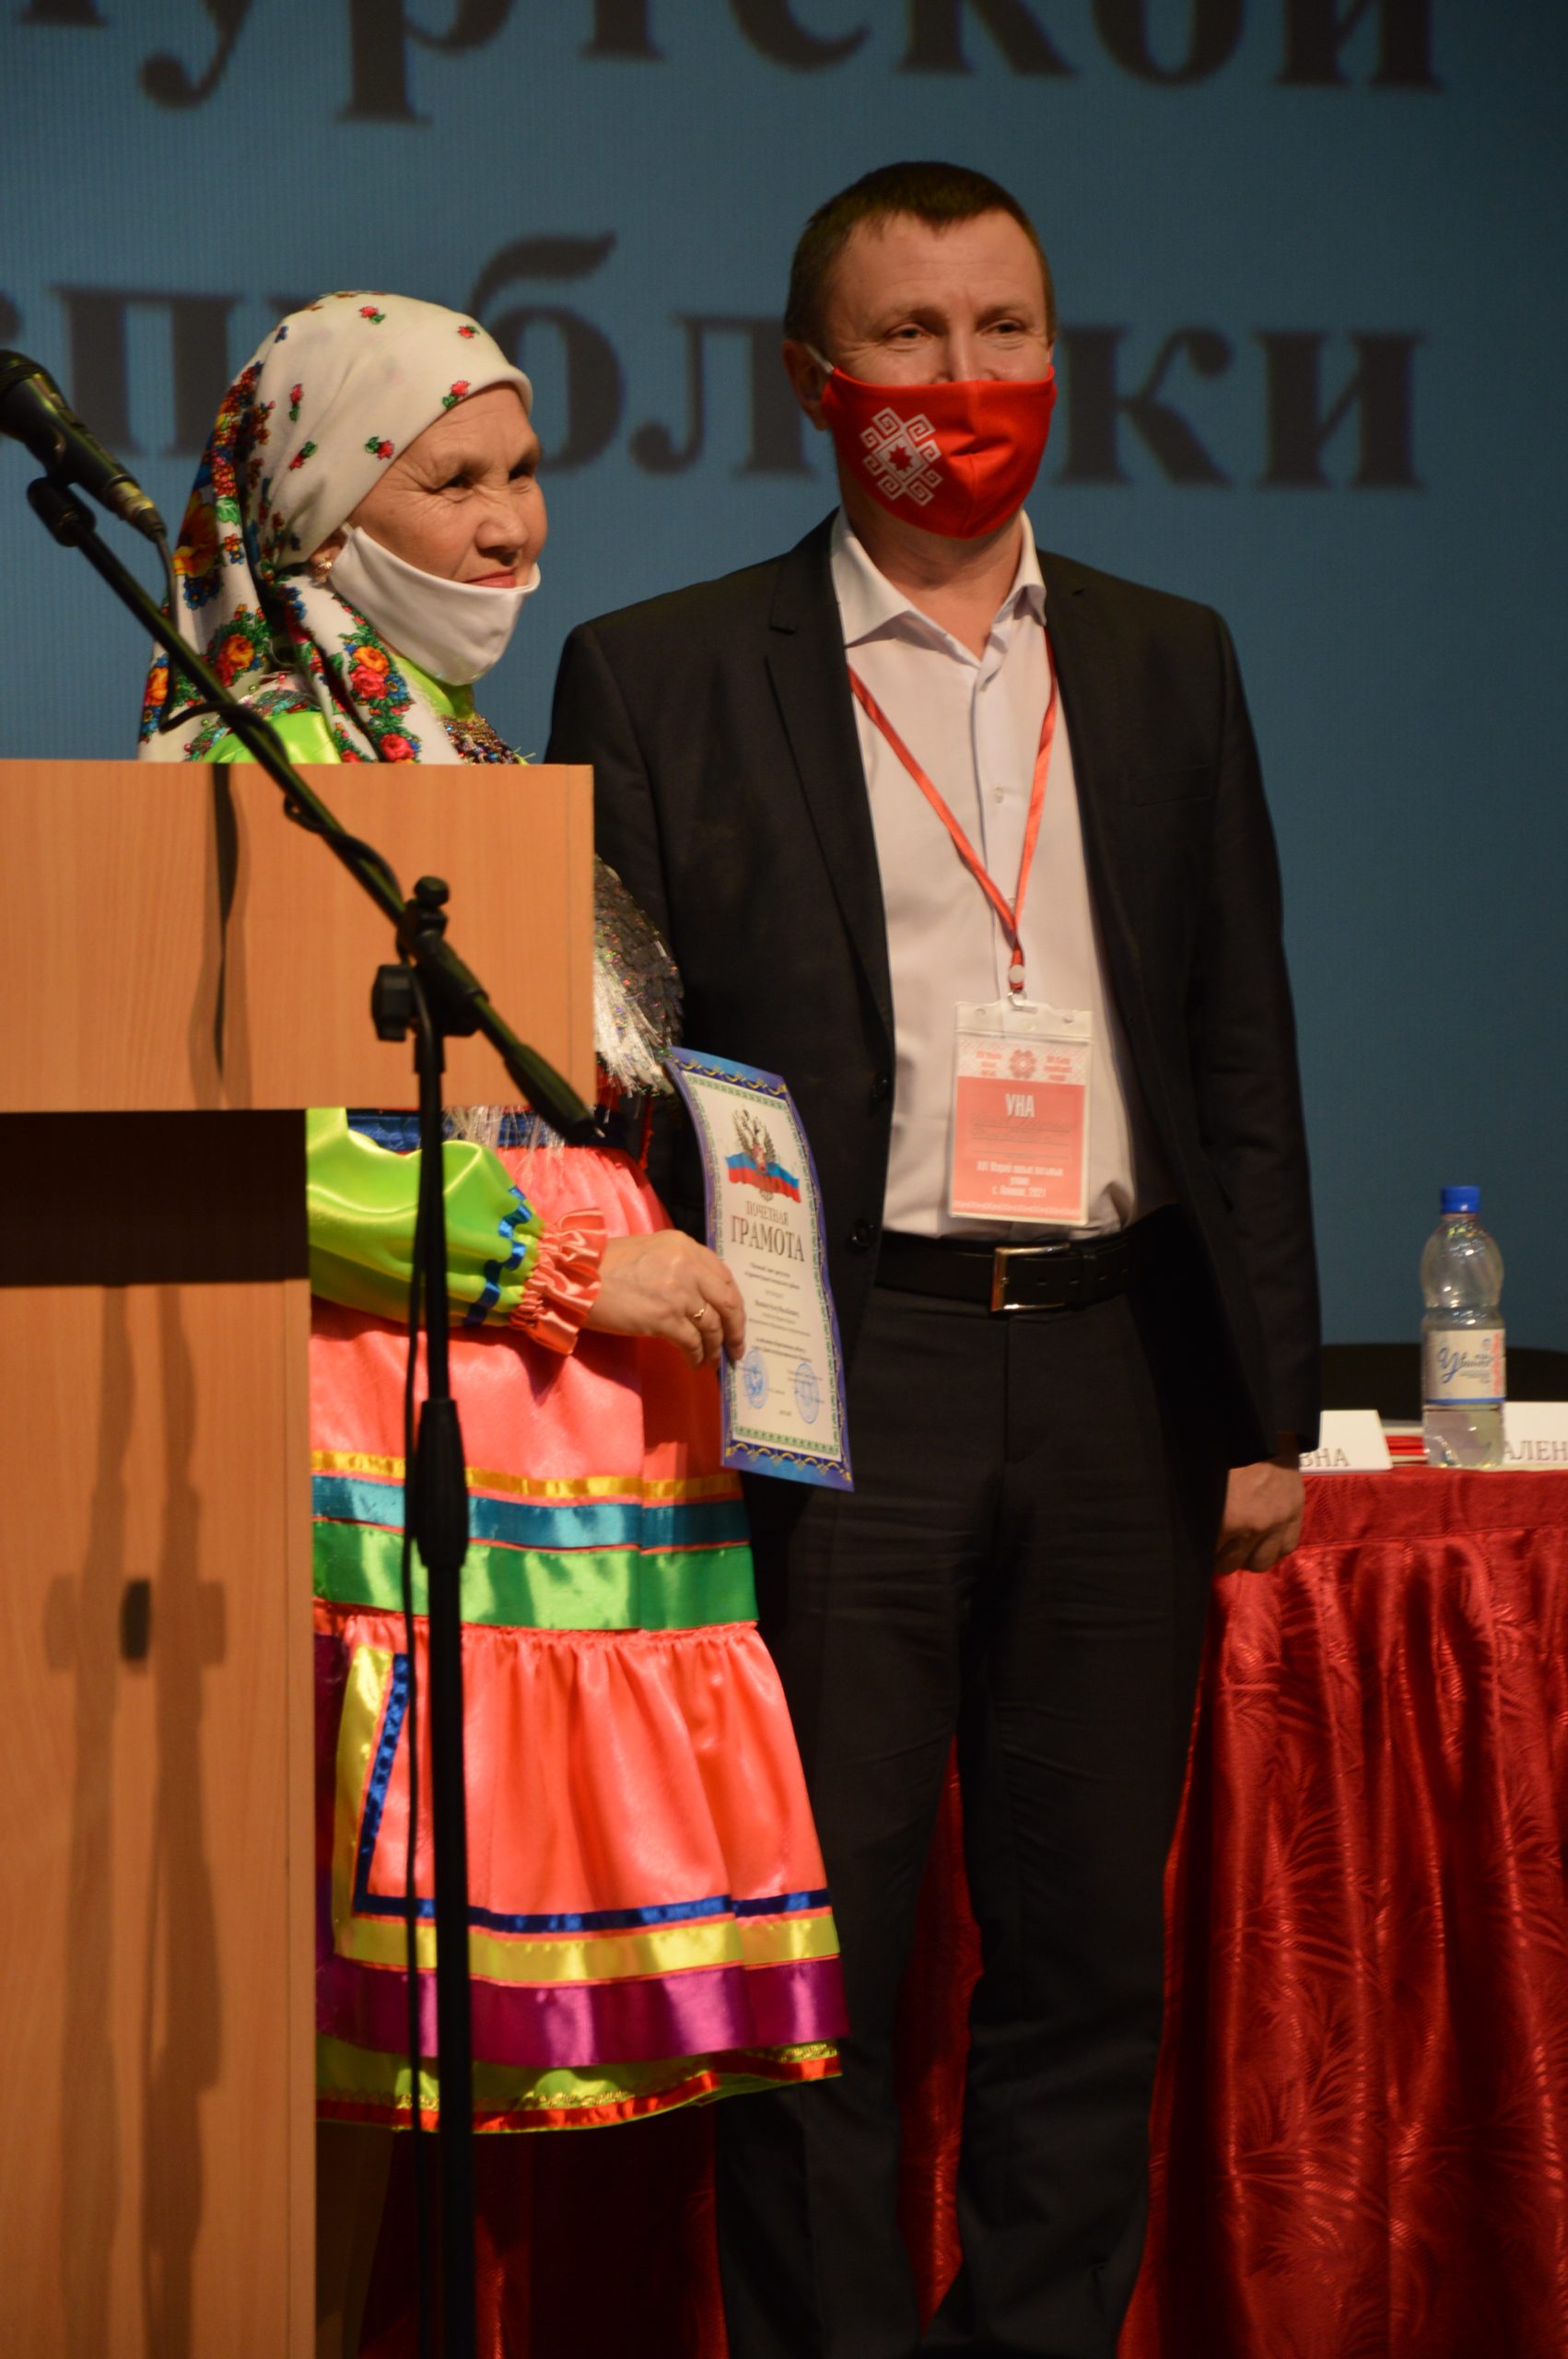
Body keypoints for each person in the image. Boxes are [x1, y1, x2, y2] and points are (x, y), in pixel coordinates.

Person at [547, 164, 1320, 2359]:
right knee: (823, 1952)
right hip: (834, 1371)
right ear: (814, 379)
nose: (961, 380)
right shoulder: (659, 672)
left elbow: (1235, 1042)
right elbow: (606, 1091)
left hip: (1111, 1365)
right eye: (908, 336)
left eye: (1002, 332)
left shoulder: (1164, 658)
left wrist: (1258, 1402)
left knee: (1086, 1953)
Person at [137, 290, 846, 2357]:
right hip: (378, 1411)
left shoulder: (449, 750)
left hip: (543, 1438)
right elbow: (237, 1129)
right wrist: (553, 1269)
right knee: (321, 2015)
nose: (510, 523)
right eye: (449, 480)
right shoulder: (247, 749)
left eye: (524, 473)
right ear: (316, 501)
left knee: (411, 2047)